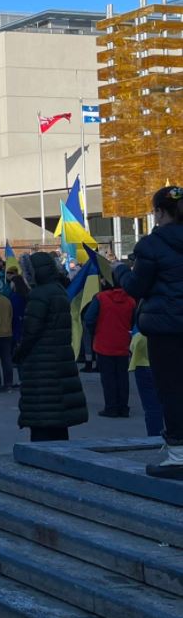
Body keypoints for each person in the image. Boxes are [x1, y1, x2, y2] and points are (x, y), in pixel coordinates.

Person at [113, 186, 183, 478]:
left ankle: (178, 454)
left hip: (167, 329)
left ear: (159, 211)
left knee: (172, 389)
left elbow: (136, 287)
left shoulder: (152, 246)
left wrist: (118, 271)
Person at [14, 252, 88, 442]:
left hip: (41, 362)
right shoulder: (58, 290)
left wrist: (18, 354)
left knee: (42, 415)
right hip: (60, 357)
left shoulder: (40, 294)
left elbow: (31, 331)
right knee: (58, 418)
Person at [84, 281, 136, 418]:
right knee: (122, 377)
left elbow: (88, 319)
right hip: (123, 342)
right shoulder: (131, 301)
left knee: (108, 378)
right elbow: (134, 321)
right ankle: (123, 407)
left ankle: (111, 407)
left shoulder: (100, 298)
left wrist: (96, 331)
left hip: (103, 342)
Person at [0, 279, 15, 393]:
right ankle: (8, 383)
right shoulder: (7, 300)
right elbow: (11, 316)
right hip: (7, 332)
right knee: (6, 359)